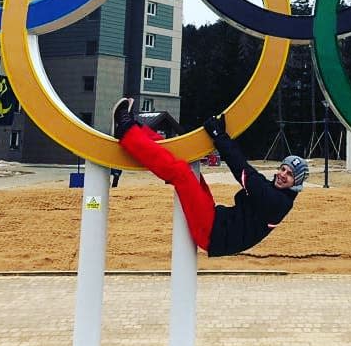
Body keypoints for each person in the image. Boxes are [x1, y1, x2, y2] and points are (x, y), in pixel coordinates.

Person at [112, 97, 308, 257]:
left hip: (212, 233)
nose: (283, 175)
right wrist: (221, 136)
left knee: (180, 173)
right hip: (215, 220)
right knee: (187, 165)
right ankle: (139, 132)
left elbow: (244, 171)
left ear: (296, 183)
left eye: (290, 175)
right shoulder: (275, 192)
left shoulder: (279, 202)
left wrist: (219, 137)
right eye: (283, 169)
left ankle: (126, 130)